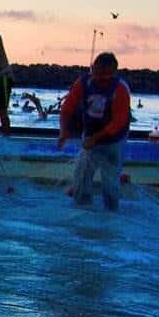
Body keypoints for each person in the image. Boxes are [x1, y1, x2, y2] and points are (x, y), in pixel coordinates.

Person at [58, 52, 131, 210]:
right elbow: (67, 108)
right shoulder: (83, 83)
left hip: (114, 140)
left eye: (105, 77)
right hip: (90, 134)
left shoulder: (120, 89)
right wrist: (64, 131)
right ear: (92, 69)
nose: (99, 80)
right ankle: (82, 214)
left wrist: (96, 138)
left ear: (113, 74)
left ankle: (111, 216)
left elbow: (119, 122)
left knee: (110, 184)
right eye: (96, 74)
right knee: (82, 179)